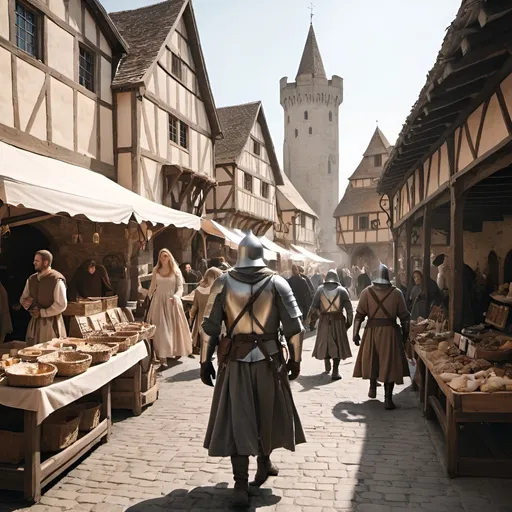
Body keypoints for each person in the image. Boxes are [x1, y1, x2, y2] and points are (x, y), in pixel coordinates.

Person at [200, 231, 306, 508]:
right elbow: (295, 328)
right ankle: (256, 469)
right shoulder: (278, 283)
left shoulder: (223, 282)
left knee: (240, 418)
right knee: (267, 414)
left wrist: (204, 360)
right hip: (270, 362)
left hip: (235, 362)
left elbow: (209, 328)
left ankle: (243, 481)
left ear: (240, 255)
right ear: (261, 255)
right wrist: (296, 360)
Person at [352, 264, 410, 410]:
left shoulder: (366, 292)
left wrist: (355, 333)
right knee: (388, 362)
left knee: (373, 359)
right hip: (390, 333)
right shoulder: (396, 293)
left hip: (371, 332)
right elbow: (405, 318)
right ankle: (387, 398)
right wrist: (405, 336)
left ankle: (372, 388)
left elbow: (359, 315)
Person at [147, 249, 193, 368]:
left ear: (170, 257)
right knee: (161, 329)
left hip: (172, 302)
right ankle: (163, 359)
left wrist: (176, 297)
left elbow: (180, 288)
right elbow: (152, 287)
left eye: (166, 256)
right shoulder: (156, 270)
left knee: (172, 329)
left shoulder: (176, 271)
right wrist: (145, 296)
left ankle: (172, 352)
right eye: (161, 256)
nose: (164, 258)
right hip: (158, 302)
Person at [307, 270, 353, 380]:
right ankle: (335, 371)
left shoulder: (320, 290)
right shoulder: (342, 291)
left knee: (325, 343)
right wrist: (348, 324)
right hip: (338, 321)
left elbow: (313, 308)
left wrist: (310, 321)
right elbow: (349, 310)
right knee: (337, 345)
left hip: (324, 321)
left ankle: (327, 364)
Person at [19, 250, 67, 345]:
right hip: (35, 323)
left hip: (51, 323)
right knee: (32, 352)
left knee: (50, 351)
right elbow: (23, 298)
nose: (34, 263)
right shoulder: (31, 279)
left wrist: (42, 313)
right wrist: (29, 306)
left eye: (37, 261)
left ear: (46, 262)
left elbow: (61, 304)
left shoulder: (56, 279)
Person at [189, 267, 222, 352]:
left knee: (204, 344)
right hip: (215, 319)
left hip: (201, 319)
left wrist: (191, 316)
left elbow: (194, 307)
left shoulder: (198, 290)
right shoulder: (217, 290)